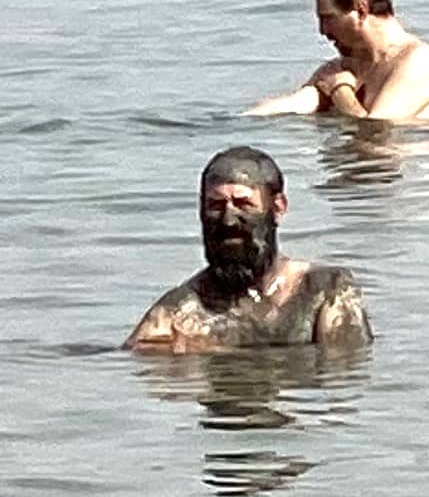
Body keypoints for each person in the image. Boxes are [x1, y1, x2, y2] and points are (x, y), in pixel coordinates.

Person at [125, 146, 372, 353]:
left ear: (277, 208)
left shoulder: (325, 290)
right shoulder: (180, 312)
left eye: (244, 204)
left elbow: (345, 370)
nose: (228, 220)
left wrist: (217, 352)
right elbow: (126, 367)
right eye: (215, 205)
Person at [248, 0, 429, 128]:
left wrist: (340, 91)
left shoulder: (418, 62)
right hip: (351, 171)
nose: (323, 31)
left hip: (399, 175)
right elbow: (295, 104)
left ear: (361, 9)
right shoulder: (343, 67)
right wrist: (240, 122)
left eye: (329, 18)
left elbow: (376, 133)